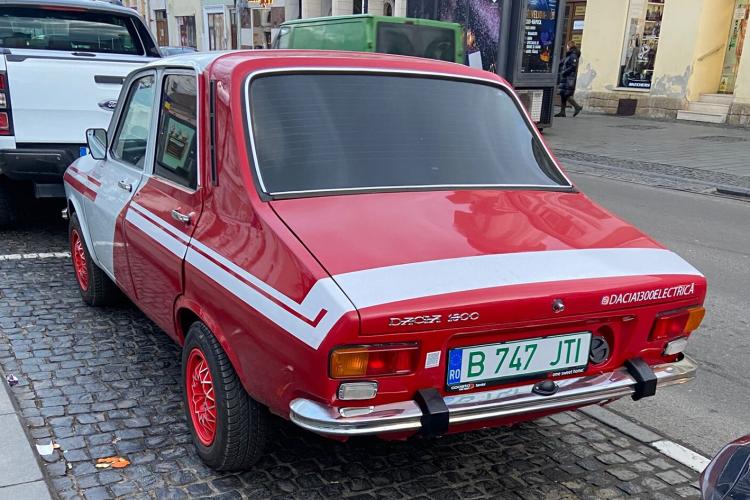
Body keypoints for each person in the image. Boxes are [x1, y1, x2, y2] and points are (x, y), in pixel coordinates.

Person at [556, 42, 583, 117]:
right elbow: (562, 62)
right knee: (562, 94)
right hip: (565, 77)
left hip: (569, 78)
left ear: (570, 46)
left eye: (567, 46)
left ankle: (577, 107)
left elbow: (573, 66)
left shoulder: (573, 55)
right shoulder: (569, 55)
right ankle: (562, 112)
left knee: (567, 94)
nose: (566, 47)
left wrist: (564, 72)